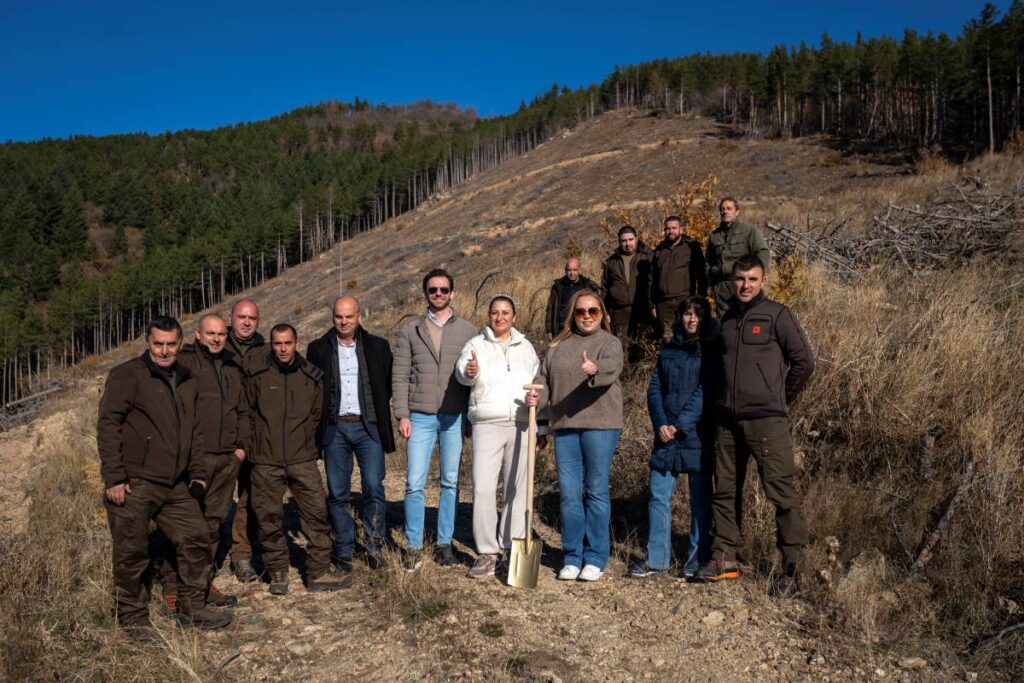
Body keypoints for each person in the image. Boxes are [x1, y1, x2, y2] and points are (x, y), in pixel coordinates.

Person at [97, 316, 231, 639]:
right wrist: (114, 477)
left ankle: (192, 607)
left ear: (181, 344)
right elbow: (108, 425)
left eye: (171, 344)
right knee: (132, 552)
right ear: (148, 343)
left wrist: (198, 473)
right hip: (135, 481)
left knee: (197, 538)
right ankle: (133, 619)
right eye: (158, 344)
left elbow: (195, 431)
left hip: (175, 484)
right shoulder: (127, 375)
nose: (165, 350)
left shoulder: (187, 379)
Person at [695, 255, 815, 592]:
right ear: (732, 281)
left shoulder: (778, 315)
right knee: (724, 489)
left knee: (780, 492)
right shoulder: (726, 320)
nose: (745, 285)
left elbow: (804, 362)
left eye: (752, 279)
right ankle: (724, 557)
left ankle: (792, 568)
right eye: (739, 279)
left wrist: (778, 399)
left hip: (766, 423)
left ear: (763, 281)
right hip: (727, 423)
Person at [527, 291, 624, 582]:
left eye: (593, 311)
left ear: (602, 314)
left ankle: (595, 556)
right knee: (569, 494)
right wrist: (537, 399)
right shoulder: (557, 346)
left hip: (601, 425)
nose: (587, 316)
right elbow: (543, 380)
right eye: (581, 311)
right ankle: (572, 555)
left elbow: (611, 368)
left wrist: (595, 368)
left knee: (595, 491)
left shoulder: (610, 343)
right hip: (565, 426)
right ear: (573, 315)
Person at [247, 324, 350, 594]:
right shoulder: (257, 376)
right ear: (271, 345)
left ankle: (318, 572)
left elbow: (317, 416)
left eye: (287, 343)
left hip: (302, 459)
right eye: (277, 343)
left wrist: (306, 444)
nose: (283, 349)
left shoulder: (311, 376)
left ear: (296, 343)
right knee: (268, 518)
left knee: (316, 514)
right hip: (266, 460)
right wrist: (254, 446)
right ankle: (277, 571)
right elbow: (247, 413)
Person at [158, 314, 249, 613]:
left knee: (212, 525)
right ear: (197, 334)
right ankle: (173, 587)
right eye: (210, 333)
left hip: (226, 458)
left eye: (221, 334)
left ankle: (201, 584)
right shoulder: (184, 363)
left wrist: (241, 448)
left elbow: (243, 410)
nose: (216, 338)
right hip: (193, 459)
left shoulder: (233, 365)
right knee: (183, 526)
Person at [393, 269, 477, 571]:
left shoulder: (468, 330)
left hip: (454, 415)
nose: (438, 294)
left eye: (443, 289)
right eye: (432, 290)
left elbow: (475, 378)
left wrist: (471, 416)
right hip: (420, 416)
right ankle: (413, 546)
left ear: (452, 293)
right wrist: (402, 414)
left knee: (450, 482)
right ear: (425, 293)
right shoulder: (410, 330)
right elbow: (400, 375)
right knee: (414, 483)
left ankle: (444, 544)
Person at [629, 297, 718, 579]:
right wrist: (661, 423)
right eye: (687, 314)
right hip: (665, 435)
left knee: (700, 501)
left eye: (697, 315)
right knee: (658, 495)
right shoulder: (668, 349)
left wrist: (679, 425)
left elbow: (705, 392)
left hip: (696, 435)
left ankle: (695, 559)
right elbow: (654, 388)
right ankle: (657, 559)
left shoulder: (710, 351)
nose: (692, 319)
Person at [307, 295, 395, 572]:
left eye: (349, 316)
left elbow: (386, 385)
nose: (344, 321)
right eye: (339, 316)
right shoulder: (318, 348)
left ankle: (374, 546)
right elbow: (313, 389)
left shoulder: (378, 346)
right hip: (335, 429)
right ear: (332, 317)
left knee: (373, 487)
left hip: (368, 427)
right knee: (337, 492)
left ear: (359, 316)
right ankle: (344, 549)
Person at [455, 295, 540, 579]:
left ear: (514, 316)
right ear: (489, 315)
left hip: (521, 423)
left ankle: (512, 546)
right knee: (483, 487)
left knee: (518, 488)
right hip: (487, 423)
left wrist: (539, 420)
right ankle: (487, 552)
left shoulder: (526, 348)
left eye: (505, 312)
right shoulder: (475, 345)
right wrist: (470, 371)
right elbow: (463, 373)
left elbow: (539, 386)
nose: (500, 317)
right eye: (495, 312)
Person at [225, 298, 266, 583]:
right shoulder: (215, 345)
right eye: (242, 316)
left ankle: (241, 554)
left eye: (252, 318)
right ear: (231, 318)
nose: (247, 322)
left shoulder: (266, 351)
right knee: (214, 499)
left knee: (249, 497)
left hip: (254, 435)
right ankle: (204, 555)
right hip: (220, 436)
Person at [705, 197, 771, 315]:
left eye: (729, 208)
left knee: (747, 317)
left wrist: (757, 278)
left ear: (737, 211)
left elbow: (763, 252)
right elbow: (708, 261)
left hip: (743, 285)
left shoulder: (749, 231)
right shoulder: (715, 235)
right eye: (722, 209)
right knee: (725, 320)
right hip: (721, 287)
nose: (725, 211)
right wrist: (711, 280)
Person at [602, 225, 653, 360]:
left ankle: (641, 372)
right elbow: (605, 289)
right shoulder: (611, 262)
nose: (627, 243)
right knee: (621, 347)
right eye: (624, 241)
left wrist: (653, 306)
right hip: (620, 311)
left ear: (636, 239)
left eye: (630, 240)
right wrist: (605, 311)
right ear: (619, 241)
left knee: (642, 345)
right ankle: (624, 372)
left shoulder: (647, 257)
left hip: (642, 309)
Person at [650, 216, 707, 335]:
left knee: (688, 335)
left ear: (681, 229)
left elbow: (701, 275)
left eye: (674, 228)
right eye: (667, 228)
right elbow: (653, 279)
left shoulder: (691, 247)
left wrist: (700, 299)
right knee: (667, 337)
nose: (670, 231)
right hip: (663, 304)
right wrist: (652, 304)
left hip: (685, 300)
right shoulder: (659, 250)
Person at [545, 257, 600, 339]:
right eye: (569, 270)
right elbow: (550, 309)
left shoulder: (589, 287)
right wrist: (549, 330)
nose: (572, 273)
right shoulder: (558, 287)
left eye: (575, 270)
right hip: (562, 329)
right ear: (565, 270)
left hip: (582, 329)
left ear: (580, 270)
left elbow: (597, 309)